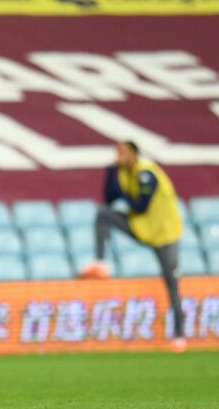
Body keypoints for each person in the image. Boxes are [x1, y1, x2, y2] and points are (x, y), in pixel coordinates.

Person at [78, 141, 187, 353]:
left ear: (134, 154)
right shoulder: (123, 173)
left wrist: (122, 191)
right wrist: (110, 174)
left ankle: (179, 336)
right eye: (117, 153)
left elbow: (141, 205)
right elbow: (109, 200)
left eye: (123, 153)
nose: (118, 156)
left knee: (171, 282)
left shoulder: (146, 172)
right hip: (141, 227)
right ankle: (101, 263)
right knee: (103, 214)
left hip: (164, 234)